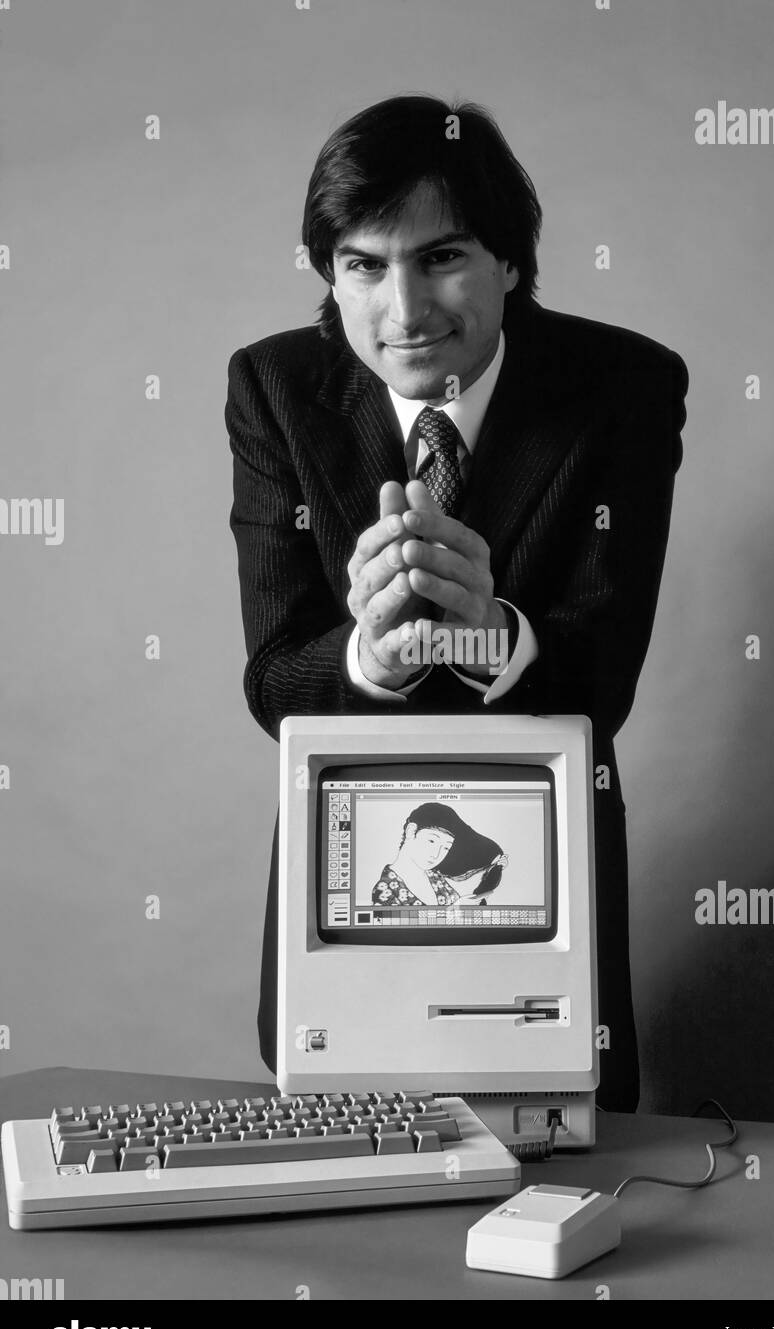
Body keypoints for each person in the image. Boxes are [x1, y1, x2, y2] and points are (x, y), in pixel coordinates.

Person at [226, 94, 689, 1111]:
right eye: (362, 263)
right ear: (328, 273)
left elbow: (601, 680)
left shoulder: (625, 388)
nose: (403, 309)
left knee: (554, 1184)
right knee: (351, 1207)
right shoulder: (272, 388)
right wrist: (368, 658)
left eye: (440, 258)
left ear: (510, 262)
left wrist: (493, 634)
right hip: (342, 880)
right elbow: (273, 681)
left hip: (545, 881)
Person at [372, 801, 507, 907]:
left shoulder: (433, 875)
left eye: (446, 848)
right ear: (411, 831)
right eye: (432, 841)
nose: (437, 855)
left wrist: (493, 870)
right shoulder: (384, 890)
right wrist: (456, 910)